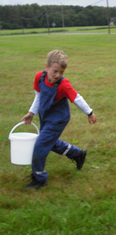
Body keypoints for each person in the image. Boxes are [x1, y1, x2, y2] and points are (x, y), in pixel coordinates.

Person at [21, 50, 97, 190]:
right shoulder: (39, 78)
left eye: (61, 72)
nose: (58, 75)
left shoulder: (63, 84)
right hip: (45, 115)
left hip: (58, 119)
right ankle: (77, 154)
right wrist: (31, 113)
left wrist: (90, 113)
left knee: (40, 145)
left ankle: (39, 178)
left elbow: (77, 99)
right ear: (47, 67)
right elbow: (39, 96)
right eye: (55, 71)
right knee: (50, 142)